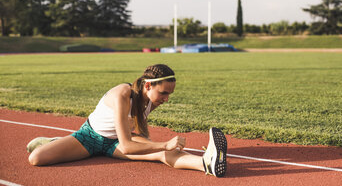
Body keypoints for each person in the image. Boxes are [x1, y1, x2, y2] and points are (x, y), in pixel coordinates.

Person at [27, 64, 227, 177]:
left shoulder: (151, 98)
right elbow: (128, 146)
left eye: (170, 94)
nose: (167, 99)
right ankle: (56, 142)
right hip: (90, 137)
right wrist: (164, 144)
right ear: (148, 85)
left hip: (116, 142)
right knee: (36, 159)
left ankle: (206, 163)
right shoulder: (123, 94)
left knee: (162, 153)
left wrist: (158, 147)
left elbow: (135, 130)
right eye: (164, 93)